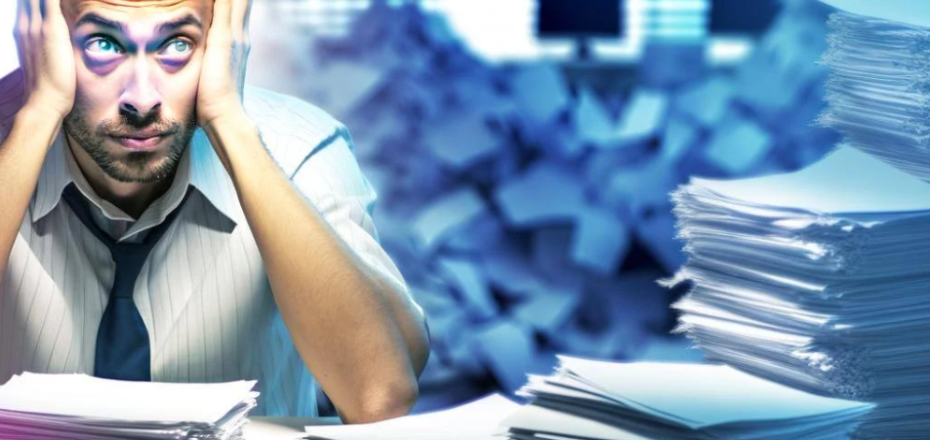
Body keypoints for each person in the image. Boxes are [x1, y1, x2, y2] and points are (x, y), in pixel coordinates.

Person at [0, 0, 430, 423]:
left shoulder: (300, 148)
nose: (142, 100)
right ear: (40, 36)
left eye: (177, 44)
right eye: (103, 44)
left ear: (225, 40)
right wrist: (37, 117)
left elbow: (379, 395)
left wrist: (228, 120)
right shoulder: (16, 134)